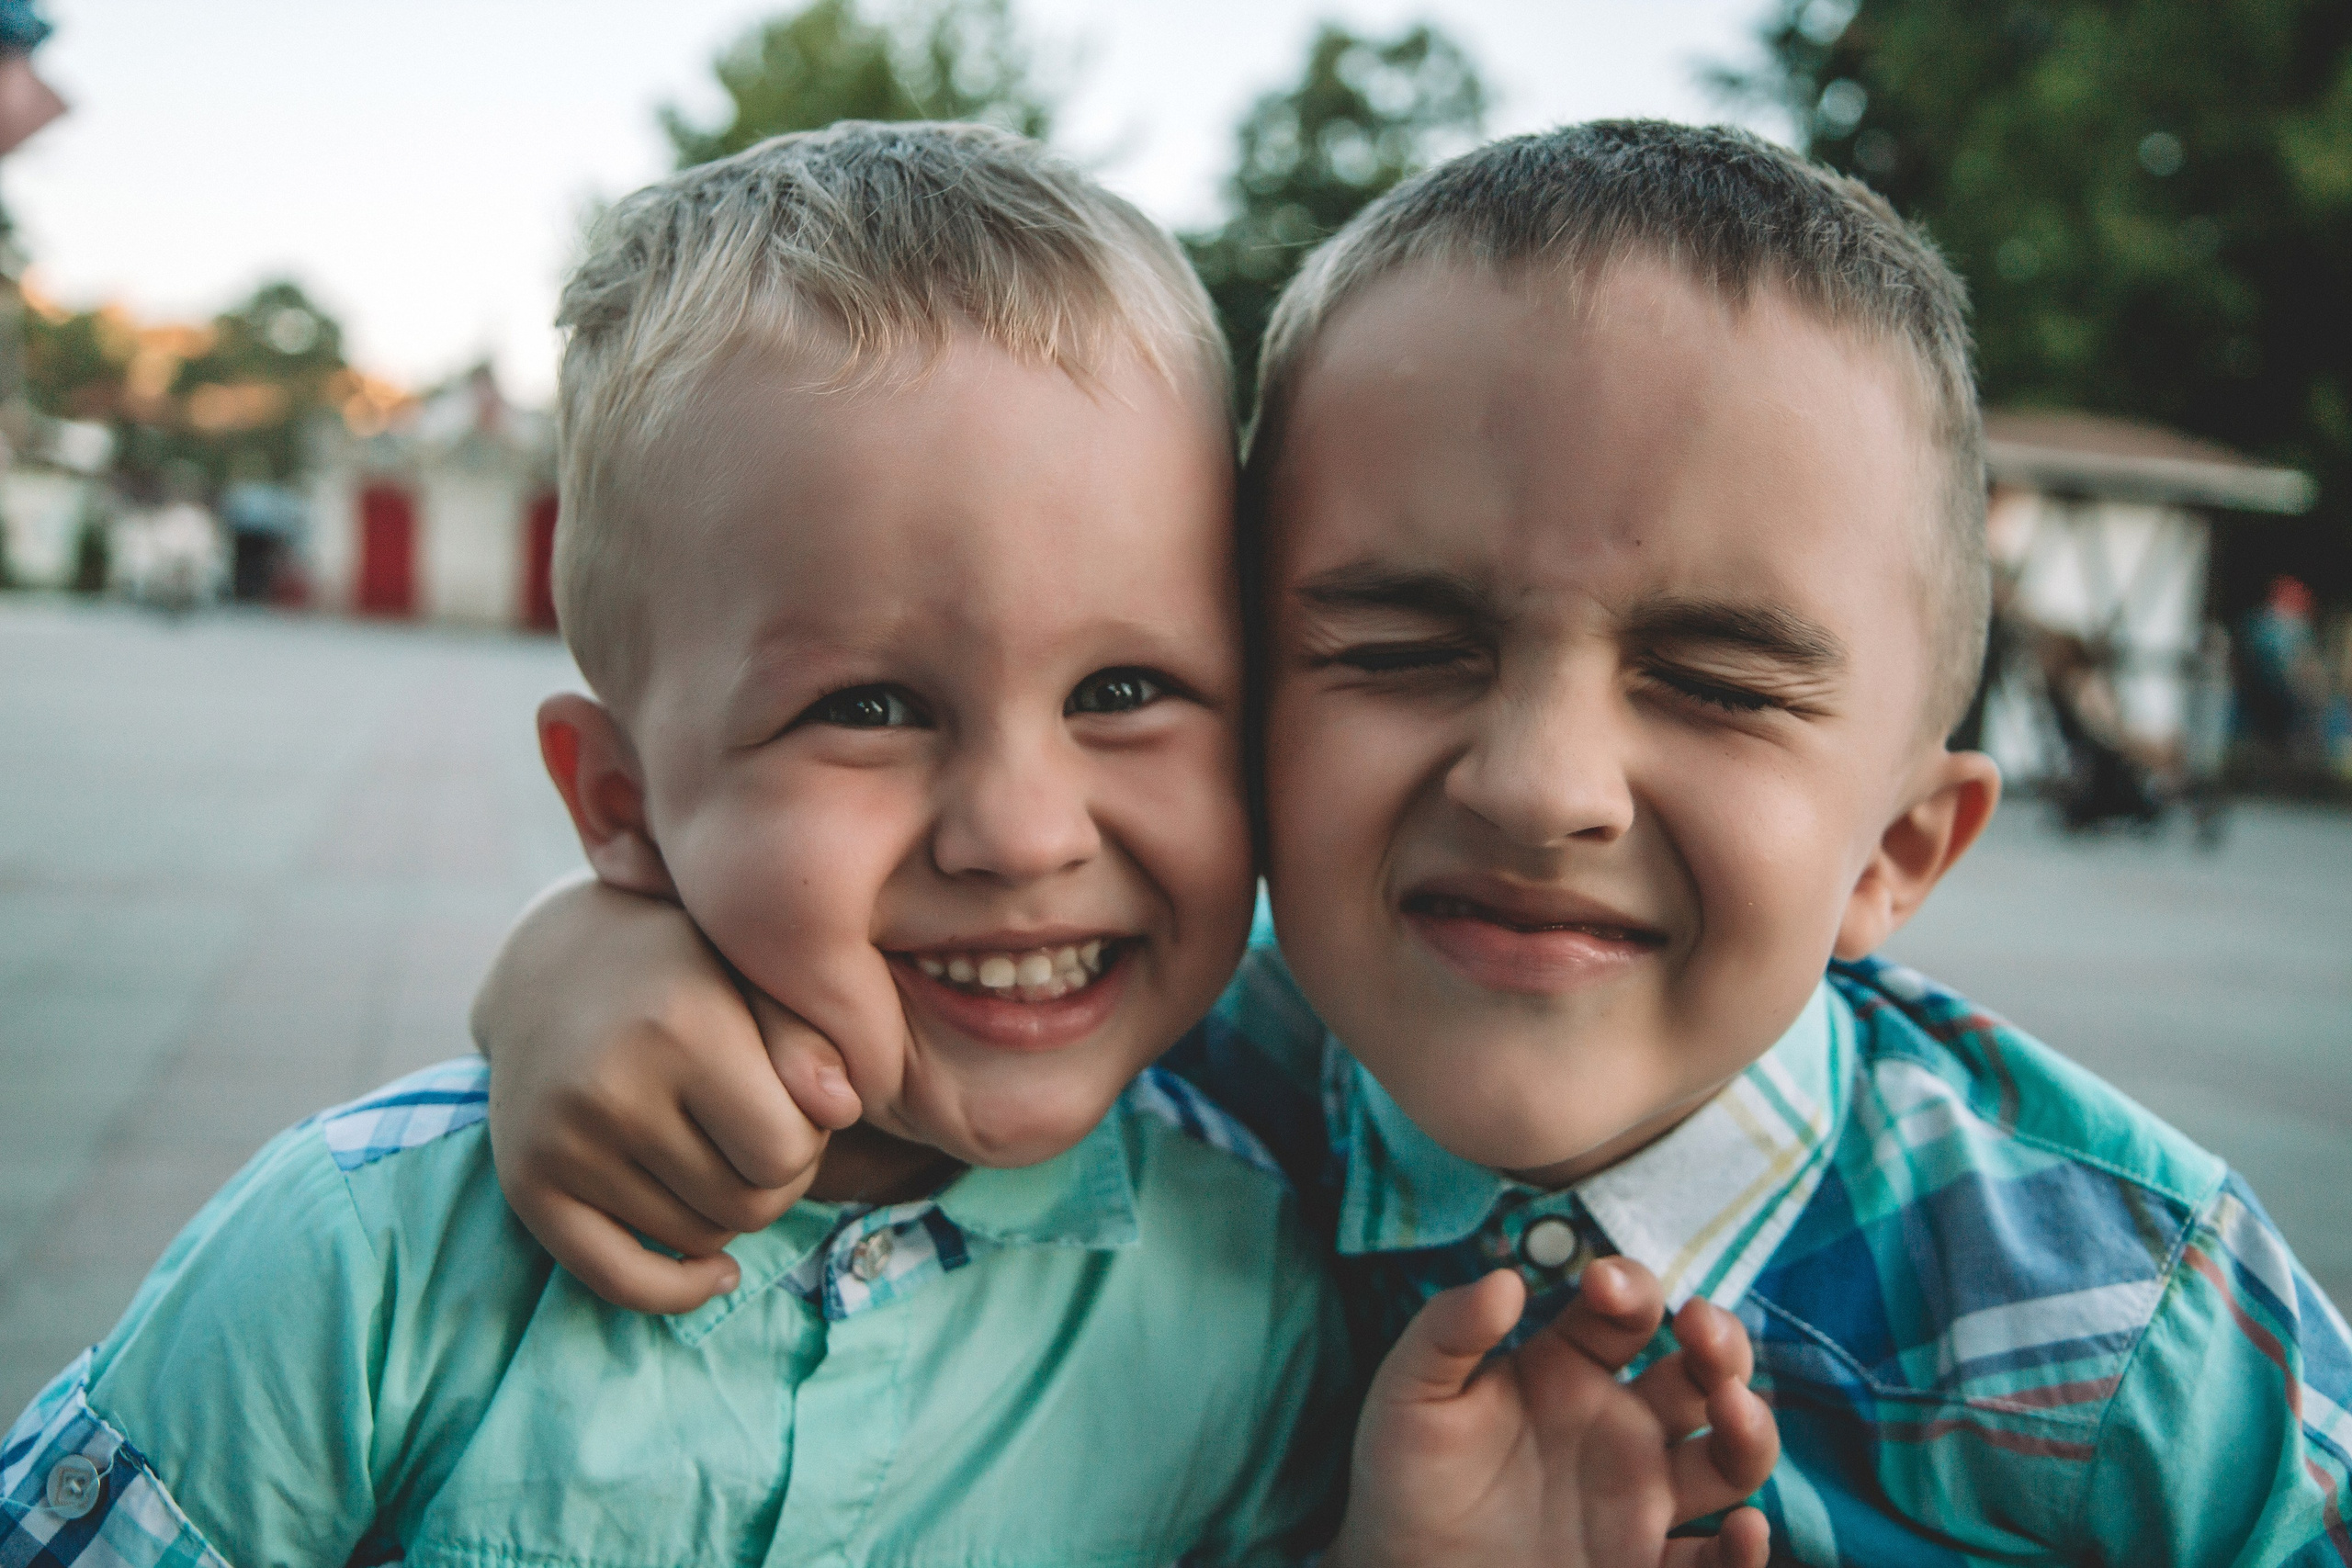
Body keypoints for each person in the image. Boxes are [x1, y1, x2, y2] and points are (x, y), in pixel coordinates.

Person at [469, 121, 2352, 1565]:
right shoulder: (1167, 1088)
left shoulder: (2124, 1321)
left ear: (1900, 845)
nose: (1540, 783)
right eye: (1398, 647)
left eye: (1708, 678)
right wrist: (595, 959)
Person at [0, 124, 1776, 1568]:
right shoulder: (359, 1264)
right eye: (866, 706)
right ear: (617, 803)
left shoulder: (1265, 1305)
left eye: (1130, 686)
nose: (1021, 829)